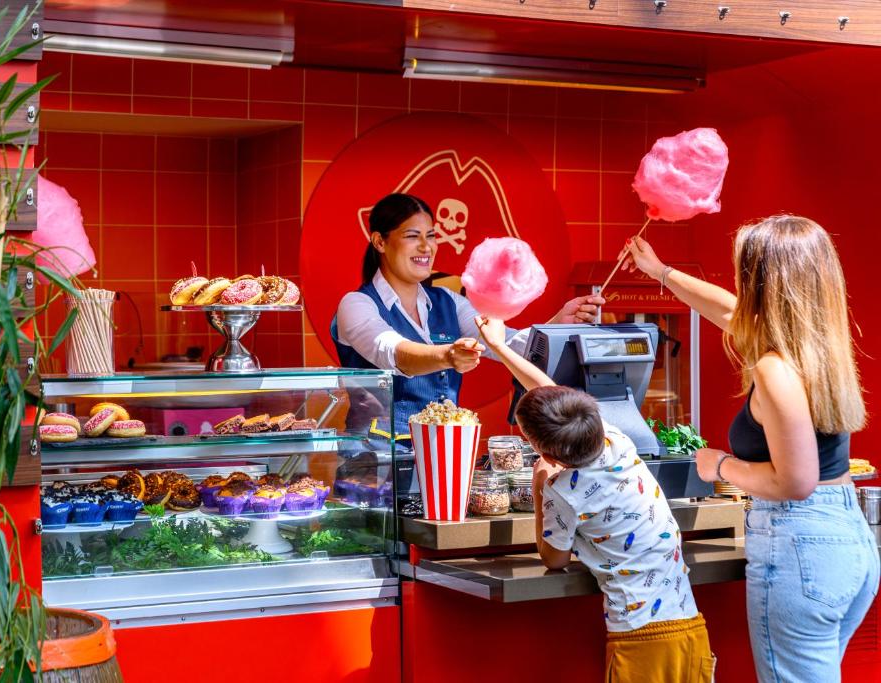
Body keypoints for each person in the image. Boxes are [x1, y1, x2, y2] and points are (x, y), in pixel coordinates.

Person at [622, 215, 878, 682]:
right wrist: (660, 272)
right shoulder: (820, 347)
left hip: (799, 544)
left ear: (762, 282)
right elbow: (727, 311)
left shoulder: (775, 369)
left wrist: (719, 465)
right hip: (848, 541)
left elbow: (795, 482)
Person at [476, 315, 714, 683]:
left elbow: (554, 558)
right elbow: (550, 390)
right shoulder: (616, 439)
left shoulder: (563, 491)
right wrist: (498, 346)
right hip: (690, 627)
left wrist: (540, 484)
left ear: (546, 454)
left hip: (639, 640)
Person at [333, 192, 604, 434]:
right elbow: (392, 353)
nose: (426, 247)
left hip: (444, 453)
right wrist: (448, 355)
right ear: (380, 242)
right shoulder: (356, 304)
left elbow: (504, 343)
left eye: (431, 236)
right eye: (412, 236)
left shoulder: (449, 301)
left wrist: (556, 325)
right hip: (375, 459)